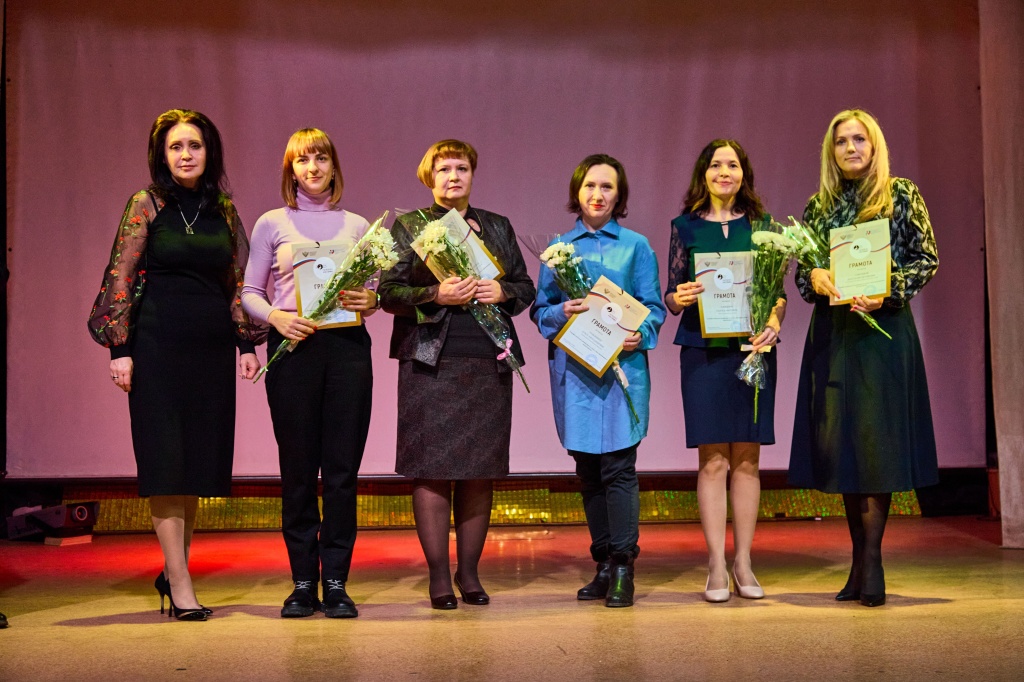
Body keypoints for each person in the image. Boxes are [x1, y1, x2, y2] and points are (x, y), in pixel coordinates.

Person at [88, 109, 264, 621]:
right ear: (161, 155)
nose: (186, 155)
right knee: (166, 463)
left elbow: (239, 282)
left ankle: (175, 569)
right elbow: (120, 275)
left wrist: (246, 345)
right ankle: (181, 581)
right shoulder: (146, 204)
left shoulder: (223, 210)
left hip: (209, 351)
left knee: (195, 466)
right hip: (157, 347)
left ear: (210, 152)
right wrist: (120, 349)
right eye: (175, 146)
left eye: (195, 145)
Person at [788, 109, 939, 607]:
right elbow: (803, 274)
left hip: (883, 334)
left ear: (875, 146)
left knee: (876, 446)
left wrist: (887, 290)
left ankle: (872, 561)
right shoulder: (819, 205)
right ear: (830, 152)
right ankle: (858, 562)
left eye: (859, 139)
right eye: (841, 142)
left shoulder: (900, 194)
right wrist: (814, 277)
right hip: (834, 337)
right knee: (845, 447)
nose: (850, 148)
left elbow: (926, 259)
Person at [377, 139, 535, 610]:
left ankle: (470, 574)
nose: (453, 176)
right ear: (429, 176)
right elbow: (388, 293)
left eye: (461, 168)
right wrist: (435, 296)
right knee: (430, 470)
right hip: (429, 363)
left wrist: (501, 291)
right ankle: (439, 578)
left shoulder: (497, 226)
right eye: (443, 169)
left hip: (488, 361)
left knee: (479, 472)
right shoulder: (410, 226)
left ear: (472, 175)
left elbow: (525, 289)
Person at [241, 128, 377, 619]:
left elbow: (371, 295)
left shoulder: (358, 226)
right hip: (293, 350)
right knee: (298, 471)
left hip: (347, 352)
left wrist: (369, 300)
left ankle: (336, 582)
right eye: (302, 160)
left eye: (321, 158)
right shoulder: (271, 223)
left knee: (341, 472)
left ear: (334, 166)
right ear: (291, 170)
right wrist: (277, 318)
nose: (313, 167)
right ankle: (302, 582)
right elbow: (249, 292)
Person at [531, 154, 666, 608]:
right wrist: (560, 311)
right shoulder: (558, 249)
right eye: (590, 185)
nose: (598, 194)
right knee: (588, 470)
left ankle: (625, 567)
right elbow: (539, 312)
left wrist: (639, 334)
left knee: (619, 468)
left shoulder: (637, 247)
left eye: (607, 186)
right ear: (577, 191)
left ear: (619, 195)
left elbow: (654, 308)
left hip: (622, 374)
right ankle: (603, 565)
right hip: (576, 374)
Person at [664, 140, 785, 602]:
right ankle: (716, 563)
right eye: (716, 164)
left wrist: (774, 322)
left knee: (748, 458)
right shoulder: (684, 226)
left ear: (743, 174)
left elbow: (777, 294)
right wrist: (679, 297)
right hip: (703, 352)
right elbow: (671, 295)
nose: (724, 171)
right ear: (704, 173)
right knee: (713, 458)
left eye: (732, 164)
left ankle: (744, 561)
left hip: (752, 350)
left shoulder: (765, 228)